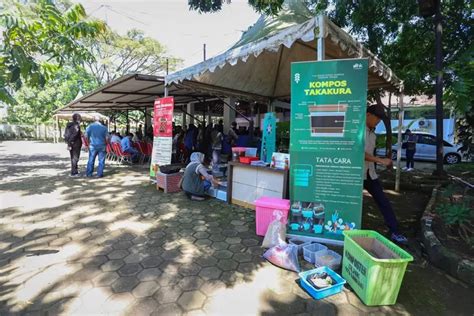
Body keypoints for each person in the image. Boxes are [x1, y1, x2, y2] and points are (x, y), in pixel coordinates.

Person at [365, 104, 407, 244]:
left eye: (379, 119)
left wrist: (377, 161)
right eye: (377, 118)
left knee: (383, 201)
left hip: (370, 173)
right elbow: (359, 153)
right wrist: (380, 160)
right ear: (368, 114)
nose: (378, 121)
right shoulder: (357, 131)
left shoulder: (372, 132)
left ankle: (394, 231)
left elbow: (369, 153)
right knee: (350, 202)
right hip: (354, 175)